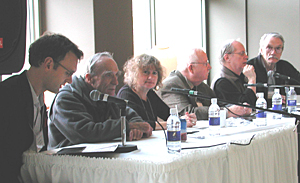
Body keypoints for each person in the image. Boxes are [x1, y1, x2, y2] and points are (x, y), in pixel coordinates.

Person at [0, 32, 83, 182]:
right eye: (68, 73)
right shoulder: (7, 95)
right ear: (48, 64)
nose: (70, 81)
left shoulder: (39, 100)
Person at [48, 52, 153, 149]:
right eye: (108, 75)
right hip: (67, 162)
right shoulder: (66, 98)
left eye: (116, 75)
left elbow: (132, 117)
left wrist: (136, 128)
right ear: (89, 78)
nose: (116, 82)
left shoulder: (104, 94)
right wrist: (126, 126)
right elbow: (85, 133)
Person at [158, 48, 251, 120]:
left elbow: (218, 104)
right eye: (205, 64)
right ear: (191, 68)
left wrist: (238, 108)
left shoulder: (201, 85)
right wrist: (226, 112)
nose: (210, 67)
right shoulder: (170, 86)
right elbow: (187, 113)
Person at [117, 54, 197, 130]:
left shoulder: (150, 93)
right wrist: (176, 123)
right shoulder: (126, 94)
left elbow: (168, 114)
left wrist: (185, 118)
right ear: (134, 73)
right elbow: (140, 125)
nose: (150, 77)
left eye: (154, 73)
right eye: (145, 72)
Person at [247, 32, 300, 107]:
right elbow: (245, 97)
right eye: (269, 48)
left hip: (281, 111)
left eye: (278, 48)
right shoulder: (250, 67)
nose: (273, 52)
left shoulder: (285, 66)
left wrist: (287, 97)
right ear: (261, 50)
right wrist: (274, 99)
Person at [211, 39, 257, 107]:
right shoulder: (221, 82)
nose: (246, 57)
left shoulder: (239, 76)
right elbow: (244, 107)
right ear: (227, 58)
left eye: (245, 53)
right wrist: (251, 80)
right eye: (241, 54)